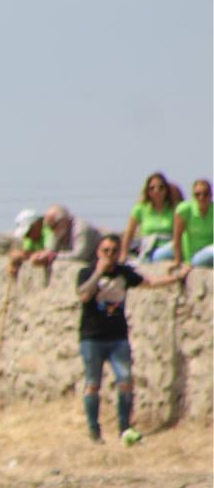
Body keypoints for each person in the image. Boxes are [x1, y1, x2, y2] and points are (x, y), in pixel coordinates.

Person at [76, 234, 187, 445]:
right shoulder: (86, 272)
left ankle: (124, 427)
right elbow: (83, 295)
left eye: (114, 251)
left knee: (125, 380)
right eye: (105, 251)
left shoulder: (123, 273)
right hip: (92, 338)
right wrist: (98, 272)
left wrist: (176, 278)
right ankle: (94, 430)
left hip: (118, 337)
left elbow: (149, 282)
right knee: (92, 384)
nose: (110, 255)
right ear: (98, 252)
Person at [122, 171, 180, 259]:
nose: (156, 191)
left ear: (166, 190)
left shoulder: (174, 209)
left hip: (168, 246)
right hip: (148, 247)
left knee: (161, 255)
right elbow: (129, 232)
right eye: (152, 188)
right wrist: (124, 254)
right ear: (147, 191)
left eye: (161, 187)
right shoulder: (141, 208)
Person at [157, 178, 212, 268]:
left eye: (205, 194)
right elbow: (177, 237)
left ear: (210, 195)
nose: (201, 198)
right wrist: (178, 261)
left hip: (208, 250)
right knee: (159, 256)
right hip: (193, 256)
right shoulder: (185, 210)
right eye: (197, 194)